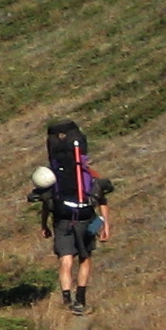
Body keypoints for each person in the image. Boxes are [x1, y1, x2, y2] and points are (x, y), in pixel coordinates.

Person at [33, 119, 109, 315]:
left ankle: (66, 298)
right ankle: (81, 299)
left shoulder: (53, 173)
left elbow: (46, 202)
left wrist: (44, 225)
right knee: (85, 258)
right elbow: (101, 199)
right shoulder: (89, 174)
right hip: (86, 219)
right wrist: (105, 224)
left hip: (62, 221)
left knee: (65, 261)